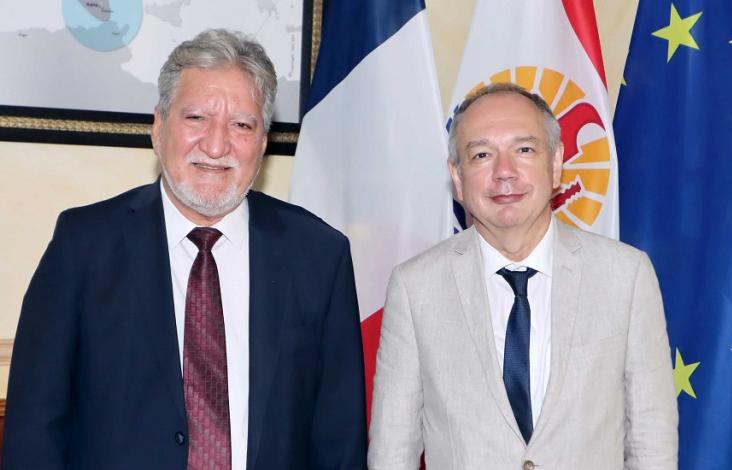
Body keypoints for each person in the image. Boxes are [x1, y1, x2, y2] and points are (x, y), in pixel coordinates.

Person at [3, 29, 367, 470]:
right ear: (158, 127)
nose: (216, 146)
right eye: (196, 118)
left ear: (264, 142)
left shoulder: (320, 257)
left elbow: (339, 442)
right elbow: (34, 429)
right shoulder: (83, 245)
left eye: (242, 125)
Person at [368, 83, 678, 469]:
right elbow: (391, 451)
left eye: (524, 150)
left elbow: (653, 444)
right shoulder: (415, 288)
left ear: (556, 165)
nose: (504, 172)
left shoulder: (625, 276)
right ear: (458, 177)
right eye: (481, 155)